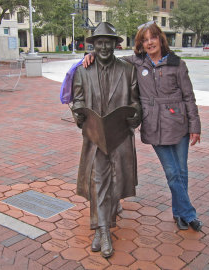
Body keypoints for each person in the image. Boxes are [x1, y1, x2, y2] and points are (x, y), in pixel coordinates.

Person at [83, 21, 203, 232]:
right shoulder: (137, 62)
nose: (149, 43)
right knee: (172, 173)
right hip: (154, 127)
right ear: (141, 44)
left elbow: (189, 98)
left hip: (179, 125)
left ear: (160, 39)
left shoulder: (177, 64)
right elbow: (110, 59)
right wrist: (89, 56)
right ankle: (189, 214)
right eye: (145, 40)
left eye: (153, 38)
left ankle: (179, 213)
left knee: (181, 172)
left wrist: (195, 126)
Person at [72, 22, 141, 258]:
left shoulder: (127, 69)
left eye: (108, 42)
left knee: (114, 182)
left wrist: (134, 117)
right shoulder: (82, 71)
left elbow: (135, 102)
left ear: (115, 44)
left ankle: (101, 228)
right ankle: (103, 231)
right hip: (95, 137)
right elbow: (77, 101)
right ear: (93, 45)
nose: (103, 47)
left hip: (119, 135)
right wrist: (79, 114)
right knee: (99, 182)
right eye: (99, 42)